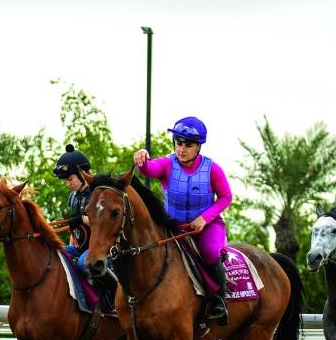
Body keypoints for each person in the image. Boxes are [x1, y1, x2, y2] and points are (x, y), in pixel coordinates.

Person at [133, 116, 233, 324]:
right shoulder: (167, 165)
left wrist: (204, 218)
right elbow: (149, 169)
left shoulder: (212, 169)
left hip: (207, 226)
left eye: (188, 145)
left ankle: (218, 301)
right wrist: (142, 160)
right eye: (179, 143)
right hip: (174, 228)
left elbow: (226, 197)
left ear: (198, 147)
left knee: (209, 252)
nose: (182, 149)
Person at [52, 144, 115, 303]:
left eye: (70, 179)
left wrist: (81, 219)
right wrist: (69, 247)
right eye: (66, 180)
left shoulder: (97, 194)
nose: (68, 183)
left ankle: (113, 294)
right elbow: (75, 230)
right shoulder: (72, 197)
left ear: (82, 174)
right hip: (79, 246)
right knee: (57, 254)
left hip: (100, 249)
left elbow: (101, 222)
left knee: (82, 263)